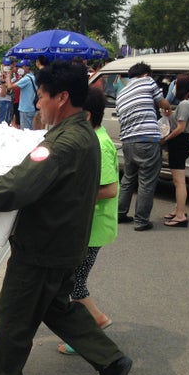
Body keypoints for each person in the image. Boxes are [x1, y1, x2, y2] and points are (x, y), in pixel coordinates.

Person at [0, 60, 132, 375]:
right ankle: (112, 362)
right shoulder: (81, 134)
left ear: (61, 98)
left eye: (42, 96)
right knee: (55, 307)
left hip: (44, 245)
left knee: (15, 311)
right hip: (64, 241)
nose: (37, 103)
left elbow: (20, 185)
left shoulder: (61, 143)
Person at [57, 87, 118, 355]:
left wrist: (75, 196)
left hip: (94, 228)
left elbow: (110, 189)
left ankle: (92, 324)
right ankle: (93, 320)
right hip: (89, 226)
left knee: (75, 283)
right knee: (73, 281)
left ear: (87, 114)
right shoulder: (93, 138)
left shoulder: (101, 145)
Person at [116, 62, 172, 231]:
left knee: (128, 179)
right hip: (147, 140)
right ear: (145, 74)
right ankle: (141, 221)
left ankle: (119, 213)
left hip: (128, 141)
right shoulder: (147, 81)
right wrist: (168, 110)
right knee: (146, 182)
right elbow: (163, 104)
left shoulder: (121, 93)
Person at [160, 72, 189, 228]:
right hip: (184, 142)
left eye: (176, 84)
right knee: (179, 180)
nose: (173, 87)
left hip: (179, 143)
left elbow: (180, 128)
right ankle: (178, 209)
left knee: (179, 181)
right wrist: (170, 115)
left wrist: (165, 139)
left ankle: (181, 215)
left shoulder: (184, 104)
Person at [6, 58, 36, 130]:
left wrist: (9, 75)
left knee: (25, 131)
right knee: (29, 129)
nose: (19, 69)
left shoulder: (26, 79)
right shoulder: (32, 77)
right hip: (31, 107)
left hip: (25, 108)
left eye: (21, 67)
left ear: (27, 67)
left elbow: (10, 87)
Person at [0, 59, 13, 124]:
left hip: (9, 99)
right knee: (1, 120)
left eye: (8, 65)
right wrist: (5, 85)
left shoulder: (10, 74)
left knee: (7, 120)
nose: (7, 66)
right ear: (2, 65)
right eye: (5, 65)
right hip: (1, 100)